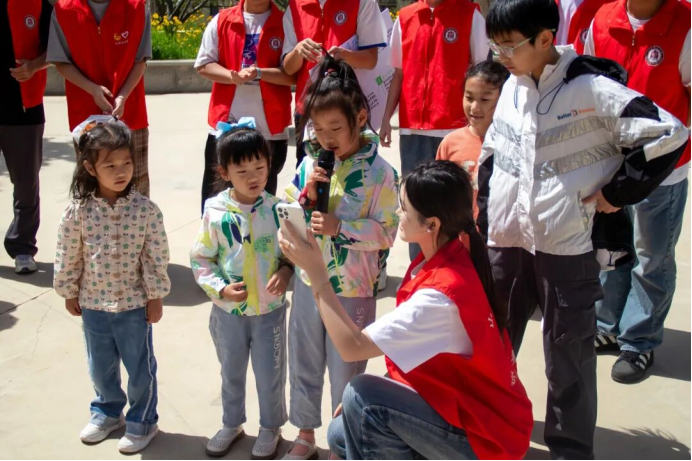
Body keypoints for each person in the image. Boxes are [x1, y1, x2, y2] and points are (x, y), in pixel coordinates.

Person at [478, 0, 689, 458]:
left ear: (545, 39)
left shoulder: (592, 88)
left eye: (509, 46)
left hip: (565, 248)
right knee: (492, 345)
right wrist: (484, 220)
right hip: (507, 243)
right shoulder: (512, 86)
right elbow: (492, 153)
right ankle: (490, 429)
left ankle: (570, 449)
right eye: (496, 48)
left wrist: (618, 192)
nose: (502, 57)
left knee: (568, 357)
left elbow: (669, 133)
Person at [278, 161, 534, 460]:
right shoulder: (451, 255)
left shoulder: (439, 297)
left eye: (404, 208)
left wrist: (316, 272)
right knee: (342, 430)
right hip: (473, 414)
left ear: (432, 224)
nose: (398, 213)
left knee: (362, 397)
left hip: (484, 441)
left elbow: (351, 347)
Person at [282, 57, 399, 461]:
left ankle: (342, 439)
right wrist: (306, 195)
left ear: (361, 117)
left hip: (353, 286)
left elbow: (387, 232)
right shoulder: (309, 164)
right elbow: (287, 212)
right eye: (318, 129)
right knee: (304, 359)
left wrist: (341, 228)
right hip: (308, 281)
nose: (326, 138)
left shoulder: (381, 174)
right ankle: (304, 433)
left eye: (335, 128)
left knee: (346, 368)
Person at [584, 0, 692, 384]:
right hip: (613, 168)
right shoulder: (604, 19)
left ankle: (639, 340)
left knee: (651, 258)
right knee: (613, 250)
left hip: (662, 172)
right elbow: (588, 88)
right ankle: (607, 325)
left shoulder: (684, 23)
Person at [54, 120, 171, 455]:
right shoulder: (78, 211)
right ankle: (107, 412)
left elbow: (156, 255)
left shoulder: (145, 210)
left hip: (134, 306)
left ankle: (143, 421)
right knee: (100, 366)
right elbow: (68, 252)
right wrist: (68, 290)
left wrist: (155, 296)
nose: (121, 172)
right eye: (110, 165)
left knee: (140, 368)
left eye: (126, 163)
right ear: (90, 168)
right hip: (93, 305)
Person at [190, 120, 294, 460]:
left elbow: (291, 254)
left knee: (270, 373)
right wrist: (220, 289)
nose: (253, 177)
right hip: (227, 314)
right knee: (231, 371)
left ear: (269, 164)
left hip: (269, 311)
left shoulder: (277, 209)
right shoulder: (215, 210)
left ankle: (270, 427)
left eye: (259, 168)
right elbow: (201, 258)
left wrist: (286, 270)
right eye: (242, 170)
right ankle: (232, 423)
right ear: (224, 172)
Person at [379, 0, 490, 261]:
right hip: (412, 129)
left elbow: (482, 72)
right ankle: (420, 268)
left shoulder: (469, 14)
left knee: (456, 206)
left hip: (455, 130)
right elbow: (398, 73)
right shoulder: (405, 18)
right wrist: (386, 118)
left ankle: (460, 266)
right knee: (415, 205)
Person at [196, 0, 295, 212]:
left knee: (262, 205)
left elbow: (292, 75)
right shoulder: (222, 20)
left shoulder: (286, 21)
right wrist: (231, 76)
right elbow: (203, 64)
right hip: (225, 127)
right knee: (215, 202)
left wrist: (259, 73)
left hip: (269, 130)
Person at [48, 0, 153, 196]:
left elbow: (141, 60)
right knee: (91, 185)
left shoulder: (136, 8)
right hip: (87, 116)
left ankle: (137, 219)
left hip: (130, 111)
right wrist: (92, 89)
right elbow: (61, 61)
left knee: (136, 185)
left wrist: (122, 96)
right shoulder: (64, 10)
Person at [282, 0, 387, 168]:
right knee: (309, 172)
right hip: (309, 110)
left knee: (356, 173)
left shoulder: (363, 3)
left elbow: (370, 59)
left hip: (347, 109)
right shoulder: (295, 7)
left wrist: (345, 56)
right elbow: (288, 68)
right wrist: (297, 51)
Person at [1, 0, 52, 274]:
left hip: (24, 110)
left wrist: (33, 66)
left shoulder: (38, 5)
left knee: (26, 185)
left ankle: (22, 248)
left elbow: (58, 47)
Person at [436, 60, 509, 220]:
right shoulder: (450, 143)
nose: (474, 107)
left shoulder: (512, 145)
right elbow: (439, 196)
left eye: (485, 100)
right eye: (469, 97)